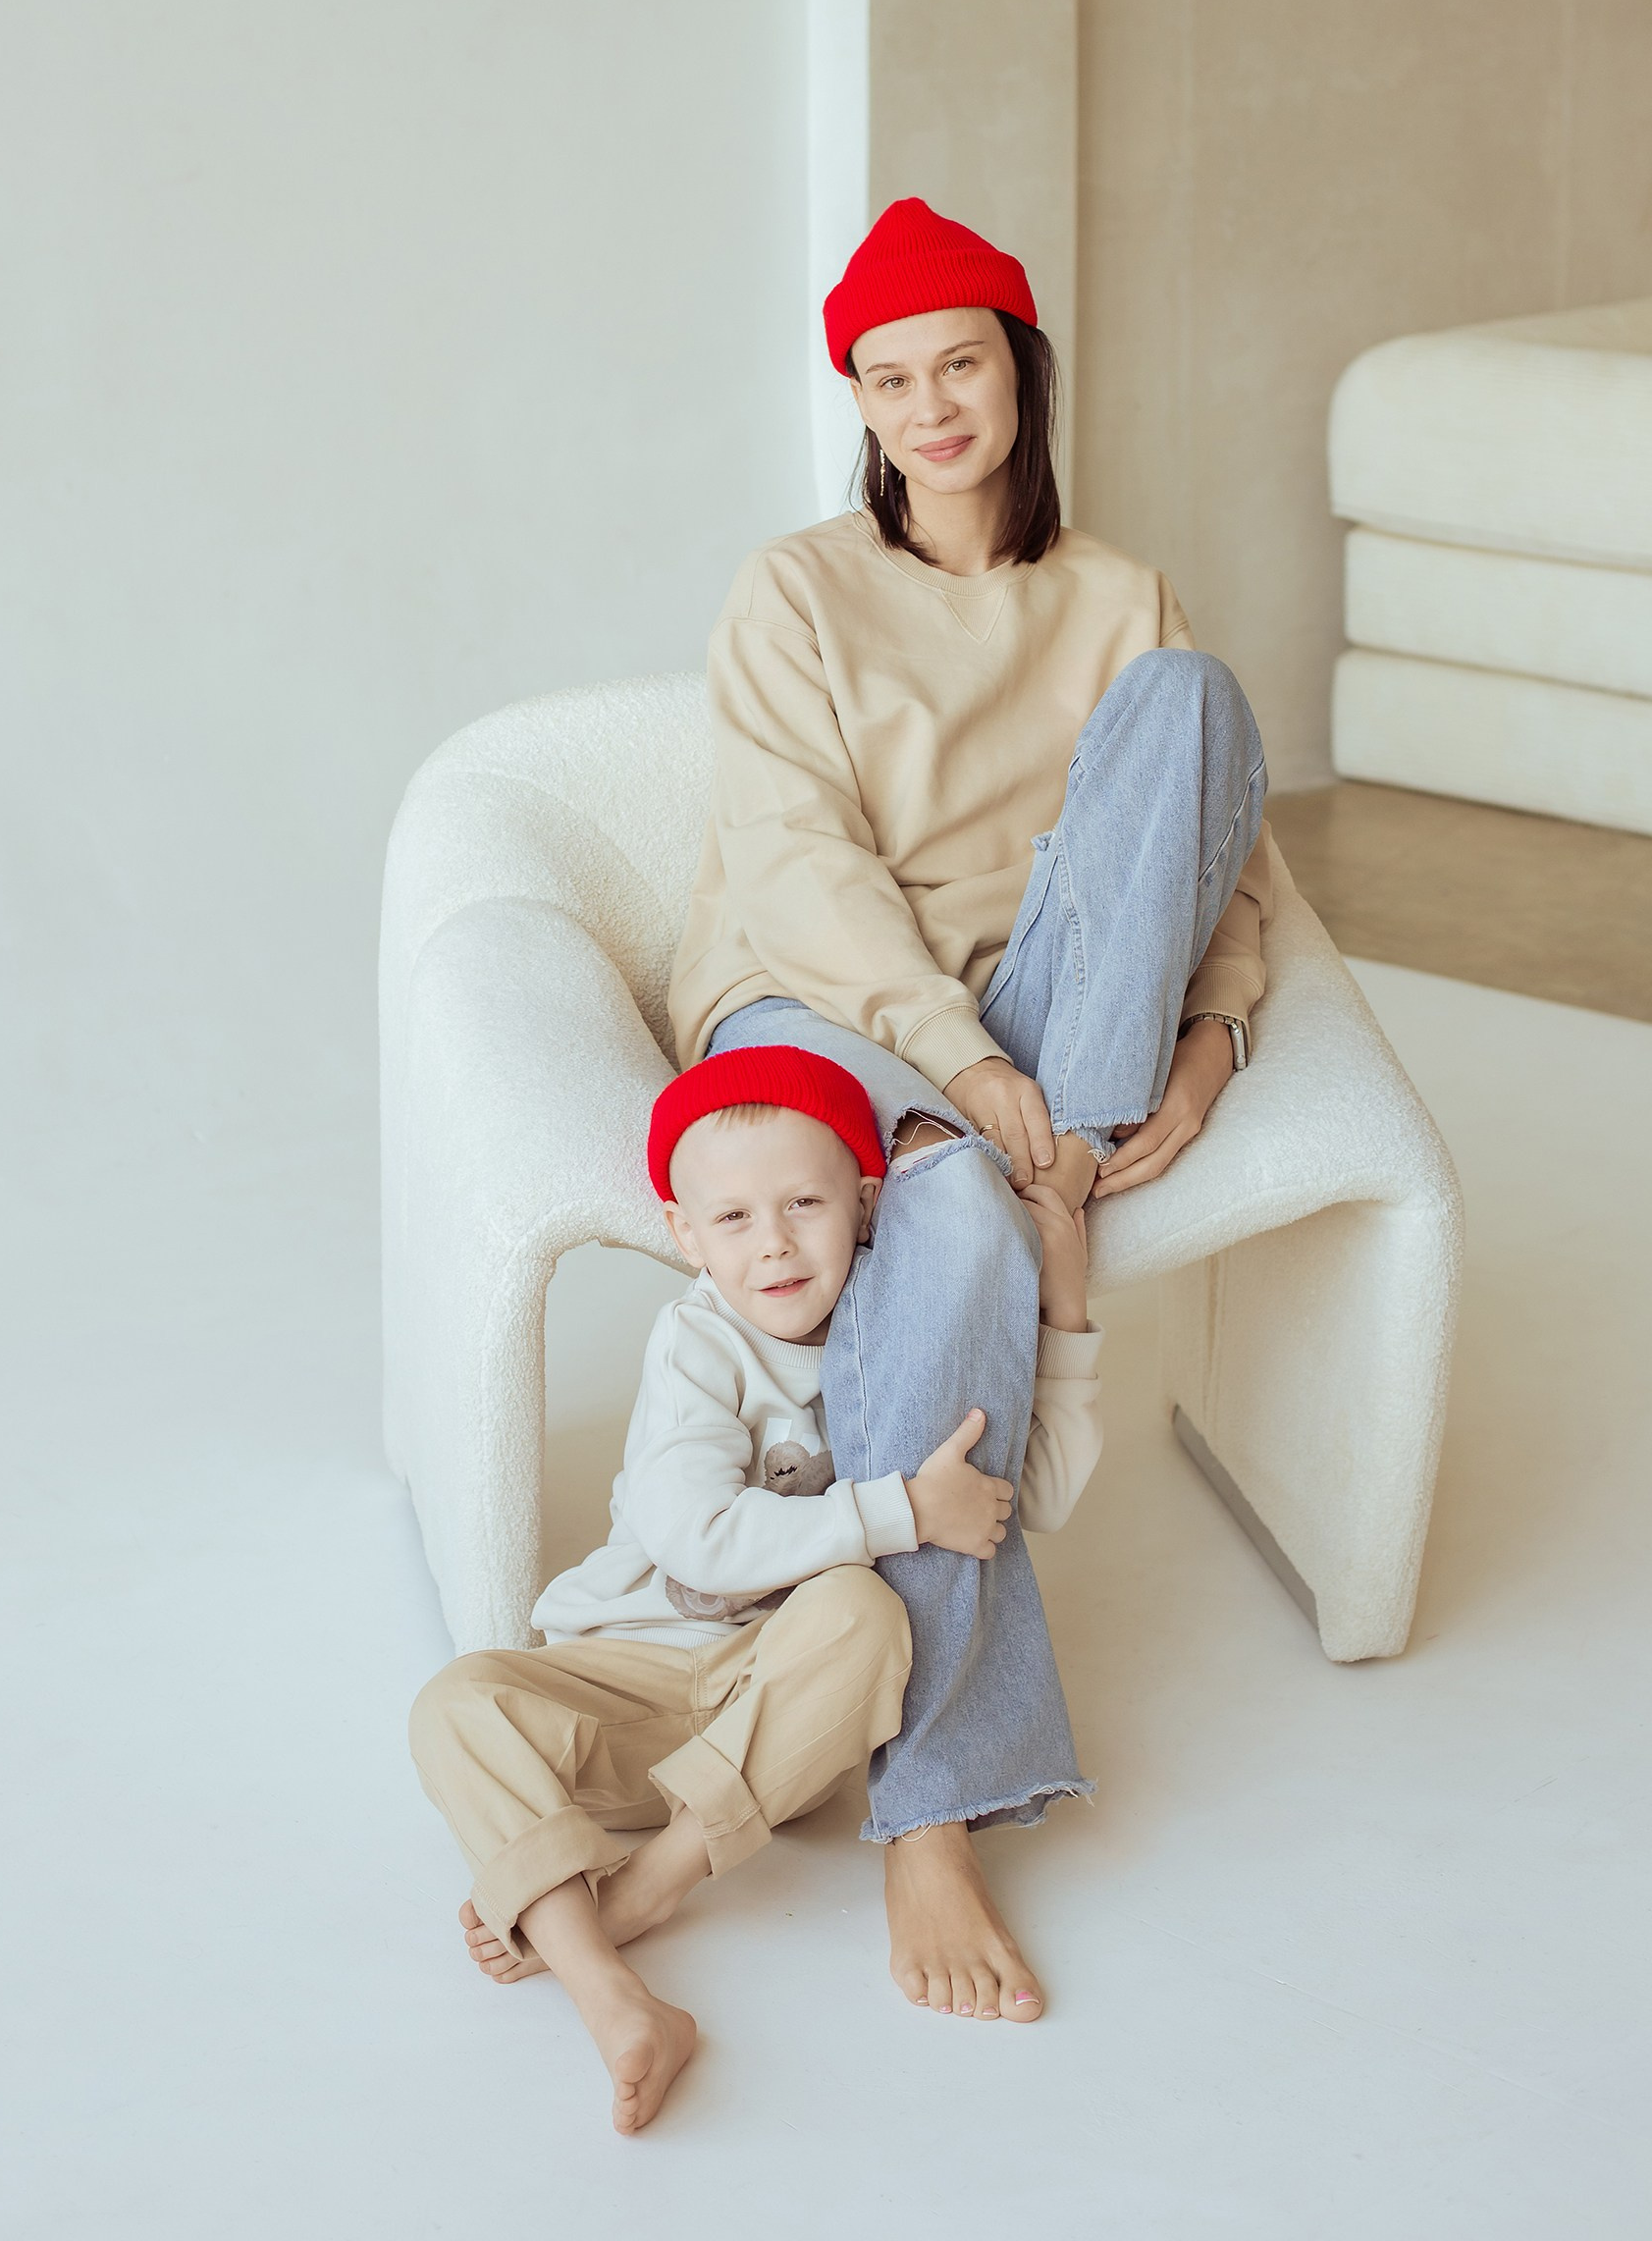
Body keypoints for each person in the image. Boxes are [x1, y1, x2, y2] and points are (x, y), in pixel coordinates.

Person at [667, 195, 1275, 2021]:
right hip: (829, 1007)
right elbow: (799, 873)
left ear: (1023, 371)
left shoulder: (1118, 595)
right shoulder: (797, 590)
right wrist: (970, 1072)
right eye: (889, 380)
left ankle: (1051, 1151)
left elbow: (1208, 858)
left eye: (961, 365)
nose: (930, 408)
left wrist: (1210, 1043)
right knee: (952, 1204)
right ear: (858, 405)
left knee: (1191, 701)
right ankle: (930, 1805)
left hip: (1047, 1028)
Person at [409, 1044, 1102, 2132]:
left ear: (866, 1204)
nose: (772, 1242)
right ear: (685, 1236)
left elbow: (1036, 1498)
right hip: (630, 1676)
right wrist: (902, 1511)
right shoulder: (698, 1340)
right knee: (455, 1702)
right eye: (730, 1219)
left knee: (867, 1613)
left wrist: (1062, 1315)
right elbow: (697, 1539)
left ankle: (649, 1886)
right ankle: (609, 1989)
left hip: (783, 1712)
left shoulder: (906, 1336)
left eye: (803, 1205)